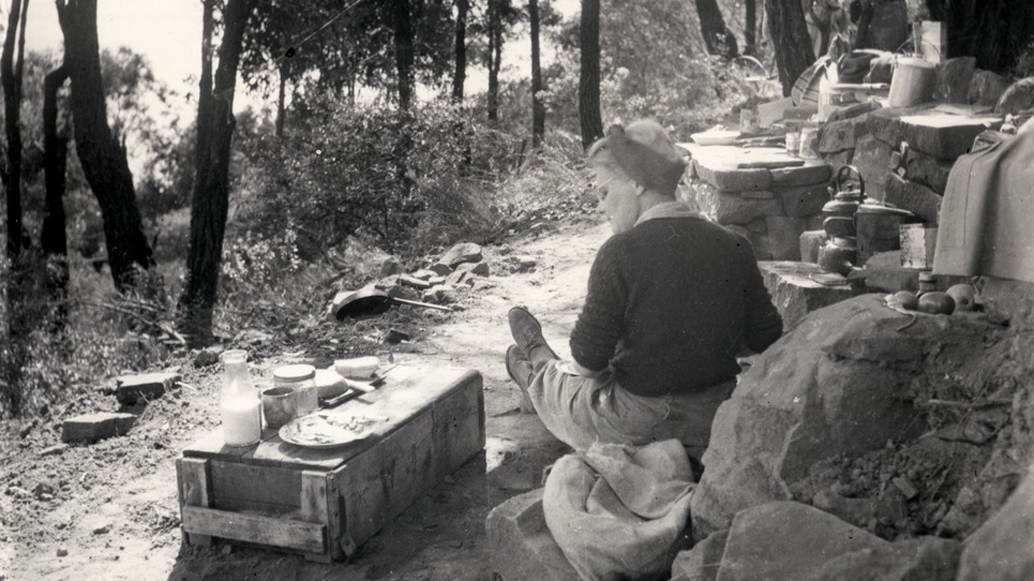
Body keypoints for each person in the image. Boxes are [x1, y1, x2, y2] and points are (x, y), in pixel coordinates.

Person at [504, 120, 783, 467]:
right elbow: (765, 338)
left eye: (604, 193)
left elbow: (589, 363)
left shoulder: (620, 252)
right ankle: (534, 363)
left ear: (637, 182)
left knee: (561, 385)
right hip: (714, 418)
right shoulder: (734, 244)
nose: (600, 207)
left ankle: (533, 365)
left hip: (638, 423)